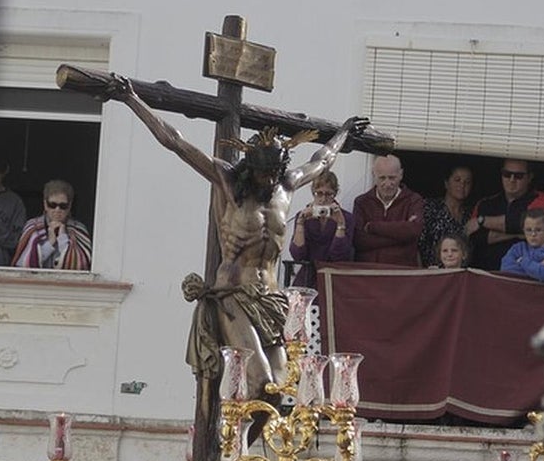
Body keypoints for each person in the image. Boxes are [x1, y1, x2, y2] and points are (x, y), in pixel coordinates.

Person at [104, 75, 366, 409]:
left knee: (282, 390)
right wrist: (132, 99)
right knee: (259, 382)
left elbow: (322, 159)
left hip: (272, 300)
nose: (269, 181)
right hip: (233, 296)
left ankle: (237, 454)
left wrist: (343, 133)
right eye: (262, 175)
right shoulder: (226, 181)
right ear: (249, 169)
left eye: (274, 174)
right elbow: (175, 142)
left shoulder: (286, 186)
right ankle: (229, 451)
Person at [467, 158, 544, 270]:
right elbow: (475, 237)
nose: (512, 179)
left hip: (524, 275)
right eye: (507, 174)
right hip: (485, 274)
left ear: (530, 177)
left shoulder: (542, 199)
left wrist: (482, 221)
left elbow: (520, 224)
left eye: (518, 176)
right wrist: (515, 235)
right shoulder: (485, 203)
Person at [352, 154, 424, 266]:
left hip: (402, 274)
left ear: (401, 175)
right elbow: (359, 241)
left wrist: (373, 227)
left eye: (392, 177)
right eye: (382, 178)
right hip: (368, 273)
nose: (387, 183)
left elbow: (414, 231)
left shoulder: (414, 200)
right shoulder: (362, 202)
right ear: (374, 176)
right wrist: (402, 237)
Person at [287, 170, 354, 287]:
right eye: (319, 193)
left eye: (328, 194)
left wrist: (340, 225)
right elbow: (298, 255)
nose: (323, 199)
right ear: (313, 192)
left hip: (333, 279)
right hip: (307, 277)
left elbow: (339, 256)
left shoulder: (346, 217)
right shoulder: (304, 216)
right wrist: (300, 224)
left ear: (335, 193)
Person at [11, 179, 92, 270]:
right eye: (52, 205)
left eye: (63, 206)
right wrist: (49, 244)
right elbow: (23, 265)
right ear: (45, 204)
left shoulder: (79, 229)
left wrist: (62, 238)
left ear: (70, 206)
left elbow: (80, 266)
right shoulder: (33, 227)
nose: (57, 210)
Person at [419, 165, 473, 267]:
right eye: (457, 180)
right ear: (446, 183)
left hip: (460, 276)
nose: (462, 185)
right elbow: (416, 245)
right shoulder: (429, 208)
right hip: (432, 274)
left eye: (467, 182)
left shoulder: (470, 215)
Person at [500, 208, 544, 282]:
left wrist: (522, 261)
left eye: (538, 230)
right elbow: (506, 270)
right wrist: (538, 266)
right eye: (528, 230)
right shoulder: (517, 248)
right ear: (523, 231)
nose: (533, 234)